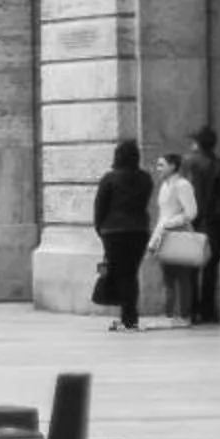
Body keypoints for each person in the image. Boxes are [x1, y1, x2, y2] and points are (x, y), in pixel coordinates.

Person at [94, 140, 154, 332]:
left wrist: (100, 229)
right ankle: (129, 317)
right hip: (139, 231)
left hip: (114, 232)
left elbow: (100, 207)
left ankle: (128, 319)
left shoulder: (109, 179)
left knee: (121, 274)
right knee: (131, 273)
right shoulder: (145, 179)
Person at [183, 125, 220, 325]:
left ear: (197, 143)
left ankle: (191, 310)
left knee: (190, 269)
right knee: (211, 269)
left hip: (194, 222)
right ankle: (208, 311)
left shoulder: (188, 163)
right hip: (216, 223)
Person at [148, 150, 198, 324]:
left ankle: (184, 315)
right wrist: (154, 240)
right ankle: (169, 314)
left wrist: (171, 223)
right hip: (164, 235)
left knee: (183, 277)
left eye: (161, 165)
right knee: (168, 277)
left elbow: (191, 212)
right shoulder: (164, 186)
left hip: (179, 234)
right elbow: (162, 215)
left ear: (173, 166)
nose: (158, 168)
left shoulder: (182, 185)